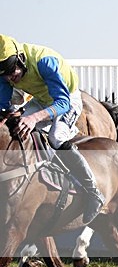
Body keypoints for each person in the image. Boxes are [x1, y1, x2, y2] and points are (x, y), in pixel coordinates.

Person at [0, 34, 105, 222]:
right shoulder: (6, 70)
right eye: (5, 74)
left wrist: (34, 118)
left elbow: (63, 103)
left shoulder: (45, 62)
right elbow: (4, 103)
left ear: (21, 59)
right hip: (41, 100)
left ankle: (93, 192)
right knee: (18, 129)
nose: (10, 78)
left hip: (66, 100)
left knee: (56, 137)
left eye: (12, 71)